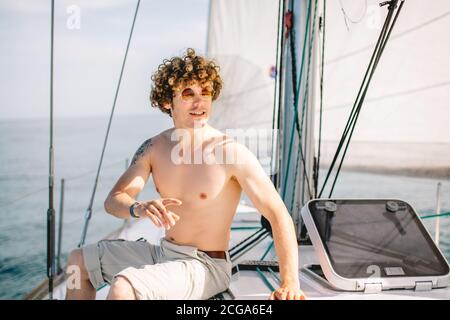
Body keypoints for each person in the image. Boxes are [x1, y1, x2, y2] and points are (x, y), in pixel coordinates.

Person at [65, 48, 305, 300]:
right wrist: (139, 208)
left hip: (206, 265)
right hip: (164, 253)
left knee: (124, 287)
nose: (200, 103)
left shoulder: (231, 152)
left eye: (206, 93)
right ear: (167, 101)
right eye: (188, 93)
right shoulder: (154, 148)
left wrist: (290, 282)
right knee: (77, 262)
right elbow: (114, 201)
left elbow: (278, 214)